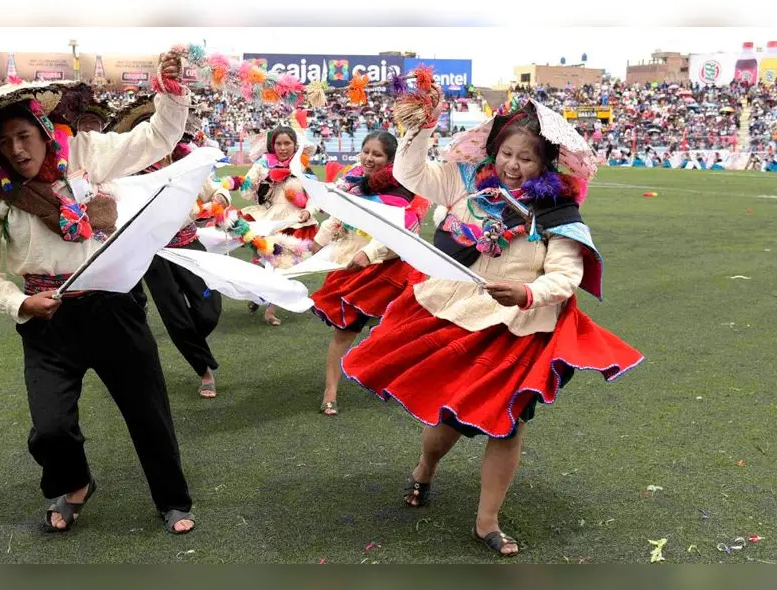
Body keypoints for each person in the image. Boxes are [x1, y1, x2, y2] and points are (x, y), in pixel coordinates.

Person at [341, 97, 644, 557]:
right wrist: (419, 130)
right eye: (507, 154)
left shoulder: (558, 211)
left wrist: (526, 293)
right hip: (457, 315)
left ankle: (487, 521)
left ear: (545, 162)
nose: (513, 165)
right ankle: (425, 467)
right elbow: (412, 175)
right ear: (493, 149)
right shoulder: (463, 181)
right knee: (450, 419)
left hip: (517, 328)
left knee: (508, 425)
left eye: (526, 158)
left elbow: (565, 275)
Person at [0, 53, 198, 536]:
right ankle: (75, 482)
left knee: (148, 413)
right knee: (50, 428)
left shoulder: (86, 152)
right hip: (44, 318)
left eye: (23, 136)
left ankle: (172, 499)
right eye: (4, 142)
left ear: (43, 129)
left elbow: (158, 138)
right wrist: (19, 303)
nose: (17, 150)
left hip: (112, 306)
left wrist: (170, 91)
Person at [111, 98, 229, 399]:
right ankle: (203, 369)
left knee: (209, 308)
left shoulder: (183, 159)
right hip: (154, 254)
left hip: (190, 244)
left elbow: (213, 188)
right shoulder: (132, 174)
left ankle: (190, 341)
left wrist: (221, 198)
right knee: (175, 316)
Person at [309, 131, 429, 416]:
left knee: (399, 330)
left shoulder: (402, 189)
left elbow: (402, 231)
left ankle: (399, 381)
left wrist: (370, 253)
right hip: (353, 266)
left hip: (390, 270)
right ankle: (330, 391)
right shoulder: (353, 182)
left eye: (377, 155)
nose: (369, 159)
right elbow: (337, 218)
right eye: (366, 152)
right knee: (344, 332)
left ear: (390, 160)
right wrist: (318, 241)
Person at [240, 125, 319, 326]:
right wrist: (259, 182)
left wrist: (308, 211)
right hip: (269, 219)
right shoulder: (262, 165)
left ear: (295, 145)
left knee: (282, 265)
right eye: (278, 144)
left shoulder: (302, 167)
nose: (283, 148)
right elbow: (245, 193)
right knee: (259, 260)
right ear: (272, 145)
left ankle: (270, 309)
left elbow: (316, 197)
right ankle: (258, 294)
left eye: (287, 143)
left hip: (295, 222)